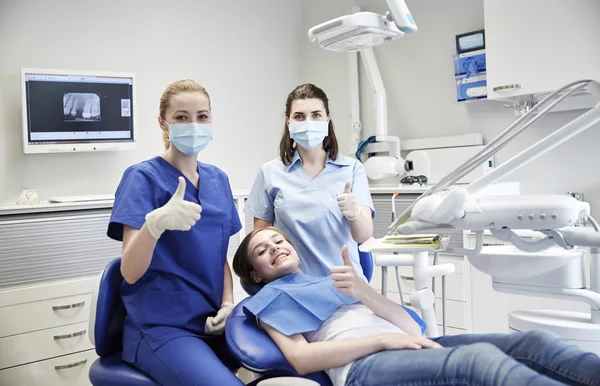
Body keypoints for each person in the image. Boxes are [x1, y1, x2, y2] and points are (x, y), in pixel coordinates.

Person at [232, 226, 600, 386]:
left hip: (403, 344)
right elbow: (302, 359)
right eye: (263, 250)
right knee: (479, 361)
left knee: (535, 343)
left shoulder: (333, 279)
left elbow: (411, 329)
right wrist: (381, 342)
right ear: (256, 273)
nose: (276, 247)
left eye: (278, 240)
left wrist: (364, 292)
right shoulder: (268, 300)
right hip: (363, 368)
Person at [107, 79, 244, 386]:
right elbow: (129, 271)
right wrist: (154, 225)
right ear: (163, 123)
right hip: (161, 328)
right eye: (182, 117)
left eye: (202, 116)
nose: (193, 125)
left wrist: (228, 304)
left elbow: (218, 255)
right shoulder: (142, 178)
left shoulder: (218, 179)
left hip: (211, 323)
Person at [244, 83, 374, 281]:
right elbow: (261, 244)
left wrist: (354, 214)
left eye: (316, 115)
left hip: (346, 285)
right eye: (299, 116)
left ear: (328, 119)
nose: (308, 122)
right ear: (288, 122)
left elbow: (363, 237)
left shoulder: (352, 169)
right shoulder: (270, 173)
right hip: (293, 287)